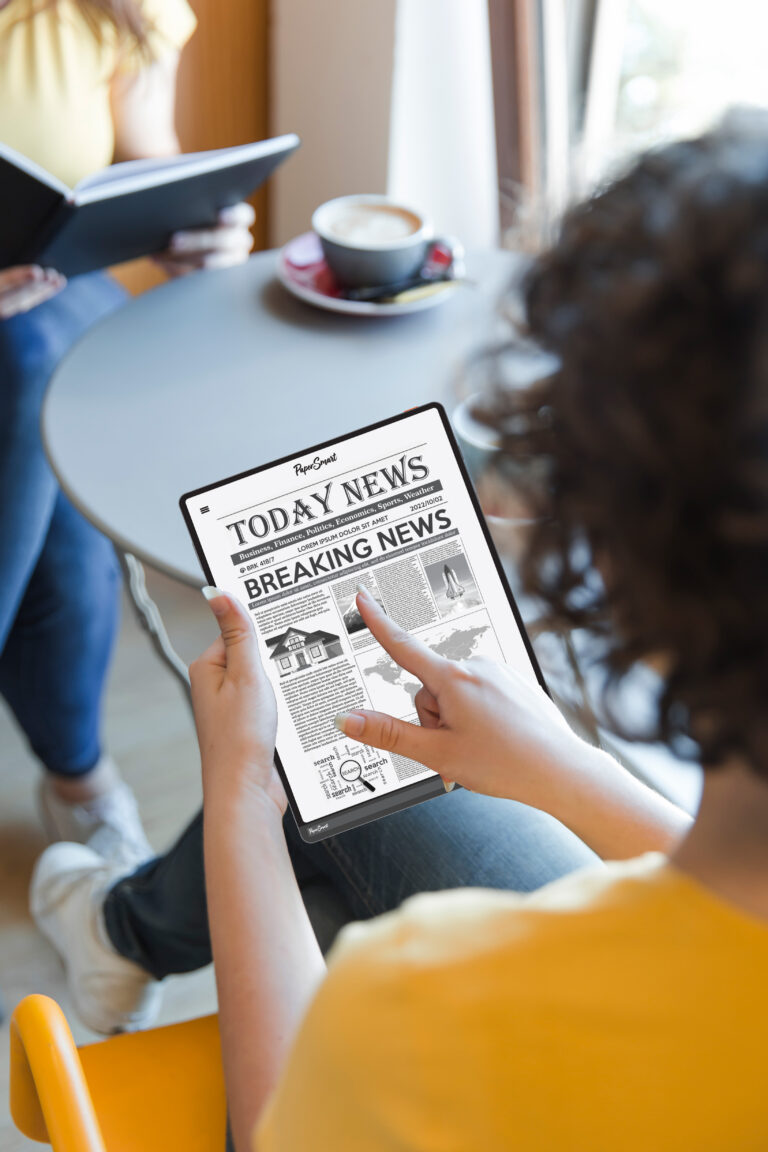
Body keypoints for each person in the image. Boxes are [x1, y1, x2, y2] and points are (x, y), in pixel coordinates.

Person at [32, 112, 768, 1149]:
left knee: (322, 767)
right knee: (375, 766)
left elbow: (275, 1127)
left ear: (610, 552)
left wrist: (239, 784)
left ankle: (124, 928)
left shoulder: (425, 1000)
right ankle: (126, 929)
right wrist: (560, 766)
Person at [0, 0, 255, 865]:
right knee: (43, 366)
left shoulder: (113, 7)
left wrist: (194, 225)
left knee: (42, 359)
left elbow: (144, 154)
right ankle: (79, 776)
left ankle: (78, 774)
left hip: (41, 310)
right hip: (40, 336)